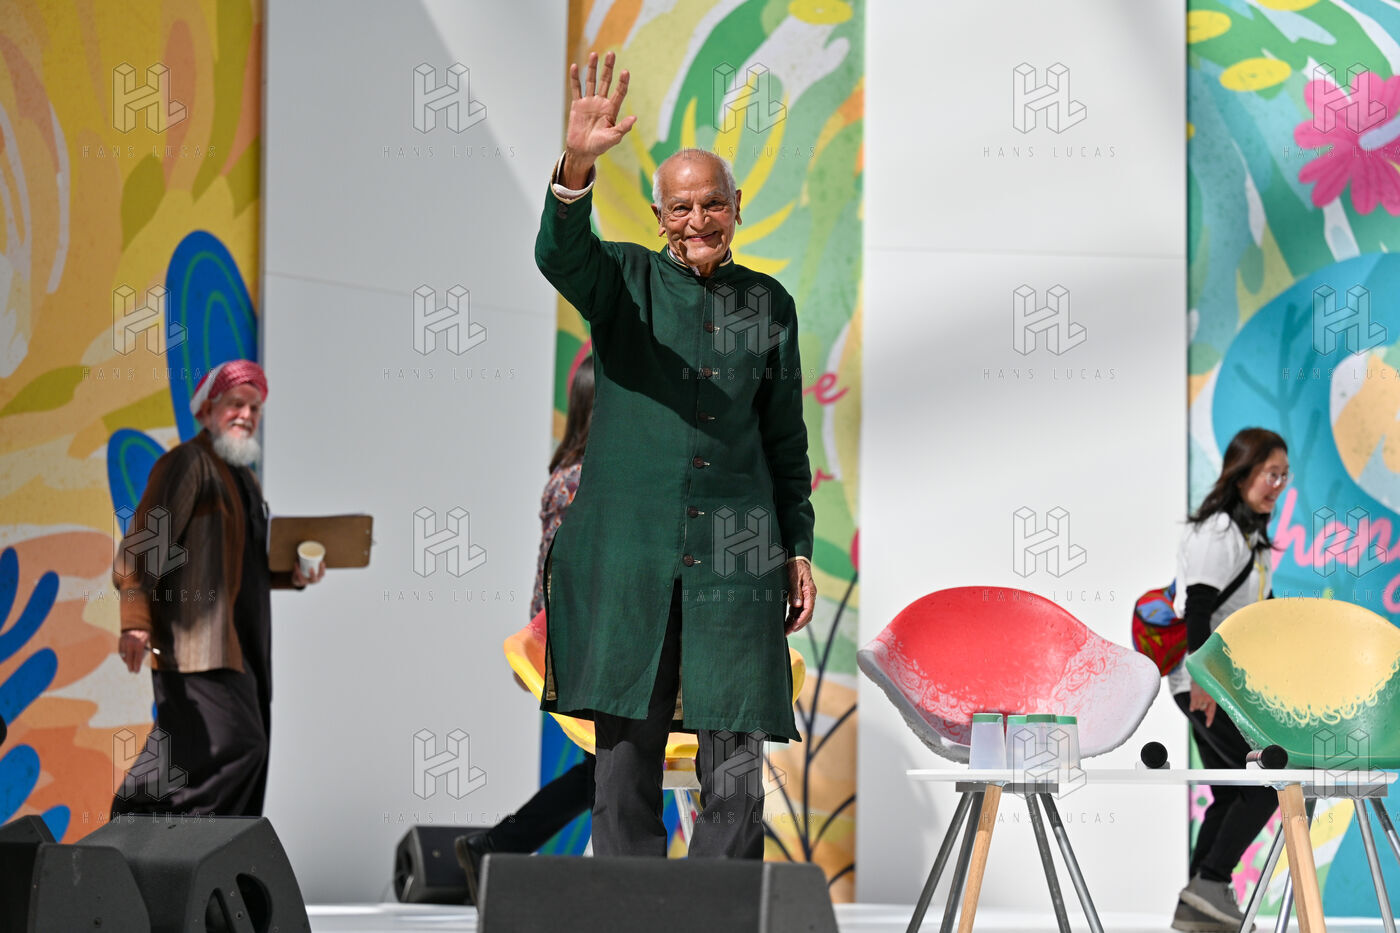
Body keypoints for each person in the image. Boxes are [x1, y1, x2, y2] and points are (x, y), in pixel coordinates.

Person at [534, 51, 817, 860]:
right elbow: (560, 255)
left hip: (738, 552)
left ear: (738, 207)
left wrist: (797, 546)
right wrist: (577, 166)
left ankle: (723, 908)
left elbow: (784, 439)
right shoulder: (622, 280)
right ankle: (629, 906)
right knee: (626, 755)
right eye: (682, 207)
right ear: (660, 217)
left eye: (713, 203)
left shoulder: (768, 304)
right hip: (632, 551)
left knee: (735, 762)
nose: (698, 219)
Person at [110, 359, 324, 817]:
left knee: (197, 752)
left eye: (255, 407)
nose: (246, 415)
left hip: (239, 649)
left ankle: (153, 834)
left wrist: (293, 575)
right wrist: (135, 621)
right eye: (235, 404)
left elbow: (243, 563)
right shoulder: (187, 463)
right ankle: (159, 834)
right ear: (207, 410)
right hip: (193, 645)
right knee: (237, 746)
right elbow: (141, 547)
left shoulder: (245, 479)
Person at [455, 356, 597, 904]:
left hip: (583, 642)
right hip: (586, 645)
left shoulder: (574, 475)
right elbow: (554, 573)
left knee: (605, 769)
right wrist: (539, 648)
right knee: (613, 765)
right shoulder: (579, 480)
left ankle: (496, 846)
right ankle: (498, 846)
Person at [1169, 427, 1288, 932]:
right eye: (1270, 474)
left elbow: (1258, 613)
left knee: (1231, 792)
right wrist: (1203, 683)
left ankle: (1197, 907)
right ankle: (1211, 883)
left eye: (1283, 476)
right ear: (1242, 475)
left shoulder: (1252, 538)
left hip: (1224, 687)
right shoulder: (1218, 531)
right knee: (1263, 786)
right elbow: (1197, 610)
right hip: (1204, 686)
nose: (1277, 485)